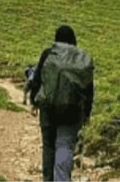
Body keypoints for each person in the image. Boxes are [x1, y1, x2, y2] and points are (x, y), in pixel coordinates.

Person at [28, 25, 95, 181]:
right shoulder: (81, 59)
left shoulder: (49, 53)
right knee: (64, 146)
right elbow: (89, 89)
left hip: (48, 108)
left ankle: (48, 179)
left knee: (49, 146)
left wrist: (33, 101)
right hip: (72, 110)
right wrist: (87, 113)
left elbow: (38, 79)